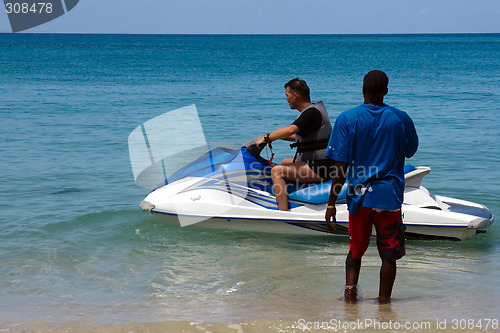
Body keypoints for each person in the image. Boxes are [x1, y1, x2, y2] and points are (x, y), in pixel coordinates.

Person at [324, 70, 418, 304]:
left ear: (362, 90)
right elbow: (410, 150)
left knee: (355, 252)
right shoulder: (400, 118)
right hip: (388, 196)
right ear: (386, 91)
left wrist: (331, 203)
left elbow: (340, 167)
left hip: (359, 198)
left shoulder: (347, 118)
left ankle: (349, 300)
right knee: (389, 256)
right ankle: (384, 305)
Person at [256, 78, 334, 211]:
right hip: (319, 162)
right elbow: (295, 136)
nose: (286, 99)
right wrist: (275, 138)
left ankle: (283, 212)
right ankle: (293, 199)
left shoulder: (311, 113)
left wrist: (267, 138)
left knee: (277, 170)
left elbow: (291, 130)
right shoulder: (312, 111)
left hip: (322, 167)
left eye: (287, 95)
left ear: (295, 95)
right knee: (284, 161)